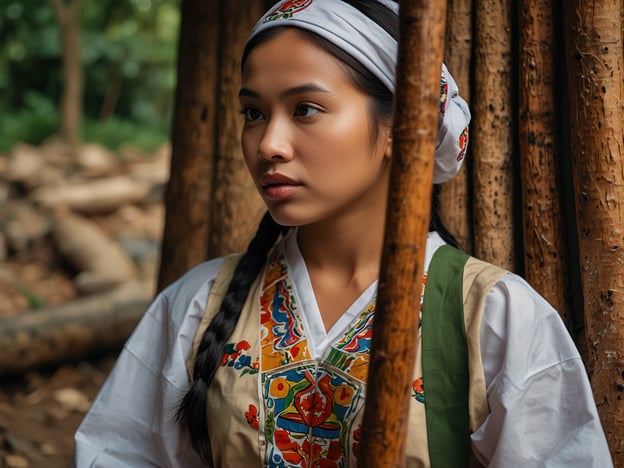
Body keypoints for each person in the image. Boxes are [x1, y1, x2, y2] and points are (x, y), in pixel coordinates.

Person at [72, 0, 613, 466]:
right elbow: (115, 451)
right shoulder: (198, 304)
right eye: (253, 112)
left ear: (400, 128)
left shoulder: (493, 319)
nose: (268, 145)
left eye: (305, 109)